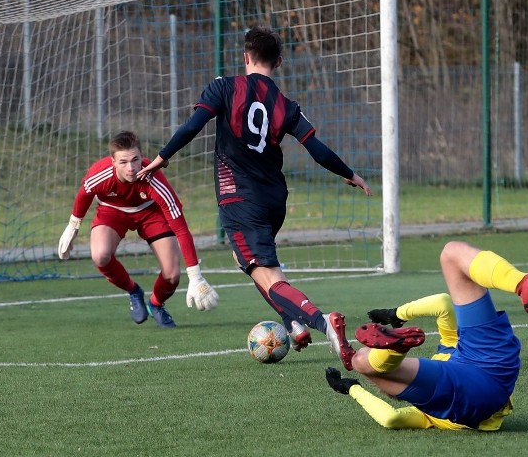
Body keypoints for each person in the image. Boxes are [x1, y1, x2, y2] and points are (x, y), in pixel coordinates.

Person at [137, 25, 371, 359]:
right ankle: (293, 322)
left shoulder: (224, 87)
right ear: (279, 62)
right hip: (275, 200)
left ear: (245, 56)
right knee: (243, 258)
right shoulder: (286, 104)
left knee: (266, 272)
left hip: (239, 199)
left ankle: (322, 322)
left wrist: (160, 160)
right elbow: (316, 149)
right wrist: (350, 174)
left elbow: (192, 127)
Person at [324, 240, 528, 431]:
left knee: (364, 364)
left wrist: (350, 388)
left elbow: (391, 418)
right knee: (451, 252)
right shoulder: (449, 346)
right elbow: (442, 303)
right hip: (477, 372)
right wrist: (396, 314)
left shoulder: (427, 407)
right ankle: (521, 282)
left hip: (490, 379)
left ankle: (526, 283)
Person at [57, 130, 219, 328]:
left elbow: (182, 230)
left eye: (135, 160)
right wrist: (72, 226)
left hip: (150, 213)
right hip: (112, 211)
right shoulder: (100, 174)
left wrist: (195, 276)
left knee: (172, 274)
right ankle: (134, 291)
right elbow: (84, 195)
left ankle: (156, 304)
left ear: (142, 157)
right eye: (123, 162)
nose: (131, 168)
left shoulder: (154, 180)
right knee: (100, 256)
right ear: (113, 161)